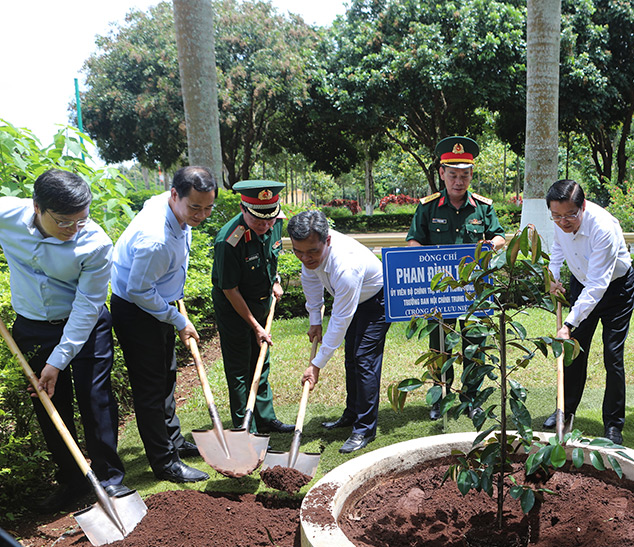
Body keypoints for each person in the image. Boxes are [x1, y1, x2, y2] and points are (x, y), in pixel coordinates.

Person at [0, 170, 130, 513]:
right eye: (63, 222)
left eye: (81, 220)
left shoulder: (97, 243)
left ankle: (110, 479)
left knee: (95, 397)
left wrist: (59, 359)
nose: (73, 230)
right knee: (48, 404)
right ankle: (72, 482)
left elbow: (87, 306)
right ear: (36, 207)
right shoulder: (6, 215)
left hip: (85, 325)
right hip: (32, 325)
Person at [109, 166, 216, 483]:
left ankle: (173, 440)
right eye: (194, 207)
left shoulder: (172, 208)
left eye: (208, 207)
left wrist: (172, 306)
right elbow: (138, 291)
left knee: (166, 376)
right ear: (174, 195)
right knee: (151, 390)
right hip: (137, 310)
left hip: (156, 301)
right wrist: (177, 319)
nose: (201, 215)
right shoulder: (156, 239)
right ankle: (165, 461)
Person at [406, 136, 505, 419]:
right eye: (452, 175)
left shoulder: (483, 207)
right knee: (439, 343)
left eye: (464, 175)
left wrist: (492, 244)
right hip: (439, 289)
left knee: (475, 342)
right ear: (441, 173)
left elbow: (499, 235)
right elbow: (414, 240)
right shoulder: (427, 207)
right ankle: (439, 396)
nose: (458, 181)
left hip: (475, 289)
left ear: (471, 175)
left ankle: (473, 398)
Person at [288, 210, 390, 454]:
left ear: (328, 240)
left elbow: (340, 319)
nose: (305, 257)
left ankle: (364, 429)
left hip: (377, 301)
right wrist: (315, 320)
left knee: (364, 359)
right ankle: (352, 414)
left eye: (312, 251)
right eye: (298, 251)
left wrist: (316, 364)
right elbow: (311, 280)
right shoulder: (308, 253)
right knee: (351, 359)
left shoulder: (346, 266)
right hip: (354, 299)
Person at [544, 179, 634, 445]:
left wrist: (569, 323)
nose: (563, 221)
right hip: (581, 283)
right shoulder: (560, 220)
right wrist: (553, 275)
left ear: (582, 206)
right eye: (556, 216)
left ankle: (613, 425)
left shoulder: (603, 228)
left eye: (570, 215)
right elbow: (558, 248)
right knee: (574, 351)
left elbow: (598, 285)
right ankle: (565, 410)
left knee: (612, 355)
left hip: (615, 290)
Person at [211, 180, 293, 434]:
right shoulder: (229, 241)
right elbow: (230, 289)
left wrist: (276, 280)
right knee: (239, 368)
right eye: (259, 221)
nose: (265, 226)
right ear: (243, 209)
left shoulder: (274, 222)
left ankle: (265, 417)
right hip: (234, 309)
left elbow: (271, 257)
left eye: (269, 220)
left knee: (261, 360)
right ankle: (245, 426)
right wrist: (255, 326)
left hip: (261, 304)